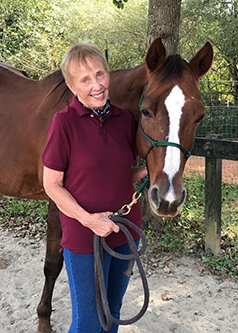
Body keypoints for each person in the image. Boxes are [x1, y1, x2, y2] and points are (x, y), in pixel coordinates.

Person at [42, 42, 147, 333]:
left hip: (125, 231)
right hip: (84, 238)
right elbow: (52, 185)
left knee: (112, 315)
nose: (96, 85)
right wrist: (89, 219)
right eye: (85, 80)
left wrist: (149, 171)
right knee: (88, 323)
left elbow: (118, 172)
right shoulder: (63, 123)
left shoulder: (124, 120)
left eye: (100, 74)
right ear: (71, 85)